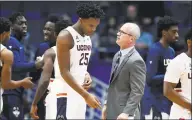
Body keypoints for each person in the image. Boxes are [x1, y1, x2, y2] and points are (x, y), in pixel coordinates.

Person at [30, 19, 93, 119]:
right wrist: (86, 74)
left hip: (61, 94)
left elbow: (44, 81)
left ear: (56, 34)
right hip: (78, 96)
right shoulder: (80, 46)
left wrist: (34, 103)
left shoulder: (51, 52)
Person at [56, 2, 105, 119]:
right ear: (81, 20)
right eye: (91, 25)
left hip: (79, 94)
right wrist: (87, 96)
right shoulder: (65, 36)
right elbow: (64, 72)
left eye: (96, 26)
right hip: (64, 94)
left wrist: (86, 74)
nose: (93, 30)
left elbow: (78, 64)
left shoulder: (88, 38)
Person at [1, 12, 43, 120]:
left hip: (15, 92)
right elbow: (14, 67)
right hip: (9, 93)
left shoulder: (17, 43)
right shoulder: (11, 41)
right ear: (11, 27)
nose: (24, 25)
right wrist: (35, 65)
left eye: (25, 23)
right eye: (20, 23)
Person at [102, 22, 146, 119]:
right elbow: (112, 84)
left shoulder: (136, 60)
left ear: (131, 38)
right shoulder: (117, 55)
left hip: (126, 114)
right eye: (119, 31)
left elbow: (137, 91)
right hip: (112, 110)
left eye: (122, 32)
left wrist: (127, 113)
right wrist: (106, 104)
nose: (118, 34)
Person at [144, 16, 179, 119]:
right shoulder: (154, 50)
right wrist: (172, 76)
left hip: (166, 100)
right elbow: (150, 79)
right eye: (174, 32)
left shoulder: (171, 51)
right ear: (164, 32)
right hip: (153, 101)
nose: (177, 35)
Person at [0, 17, 34, 113]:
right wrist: (22, 82)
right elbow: (6, 84)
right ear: (3, 35)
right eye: (9, 34)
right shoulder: (6, 54)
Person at [29, 14, 59, 120]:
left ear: (56, 33)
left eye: (49, 30)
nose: (45, 32)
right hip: (43, 96)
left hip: (59, 95)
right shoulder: (42, 48)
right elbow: (34, 75)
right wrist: (36, 66)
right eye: (45, 29)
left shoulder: (64, 49)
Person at [164, 29, 192, 119]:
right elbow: (168, 91)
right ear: (189, 42)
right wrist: (190, 106)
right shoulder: (178, 62)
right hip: (182, 114)